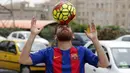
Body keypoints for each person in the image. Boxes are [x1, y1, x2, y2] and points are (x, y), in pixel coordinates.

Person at [19, 18, 109, 73]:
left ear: (73, 35)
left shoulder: (82, 51)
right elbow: (23, 60)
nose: (64, 27)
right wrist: (32, 35)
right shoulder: (47, 52)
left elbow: (104, 64)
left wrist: (95, 39)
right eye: (60, 27)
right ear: (55, 37)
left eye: (67, 27)